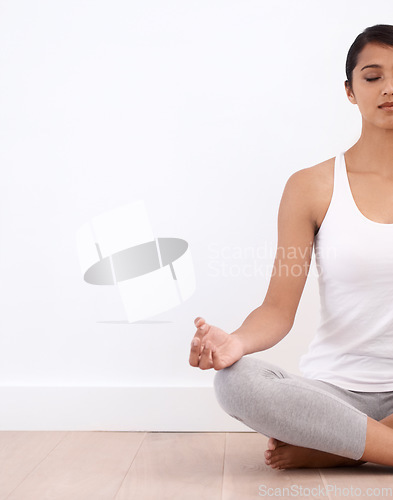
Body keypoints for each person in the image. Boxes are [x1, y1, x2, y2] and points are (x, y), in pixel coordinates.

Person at [189, 24, 393, 470]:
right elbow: (279, 311)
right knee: (236, 381)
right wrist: (235, 342)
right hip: (335, 396)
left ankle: (339, 448)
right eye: (373, 77)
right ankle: (368, 442)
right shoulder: (311, 187)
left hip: (349, 420)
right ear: (350, 91)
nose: (389, 89)